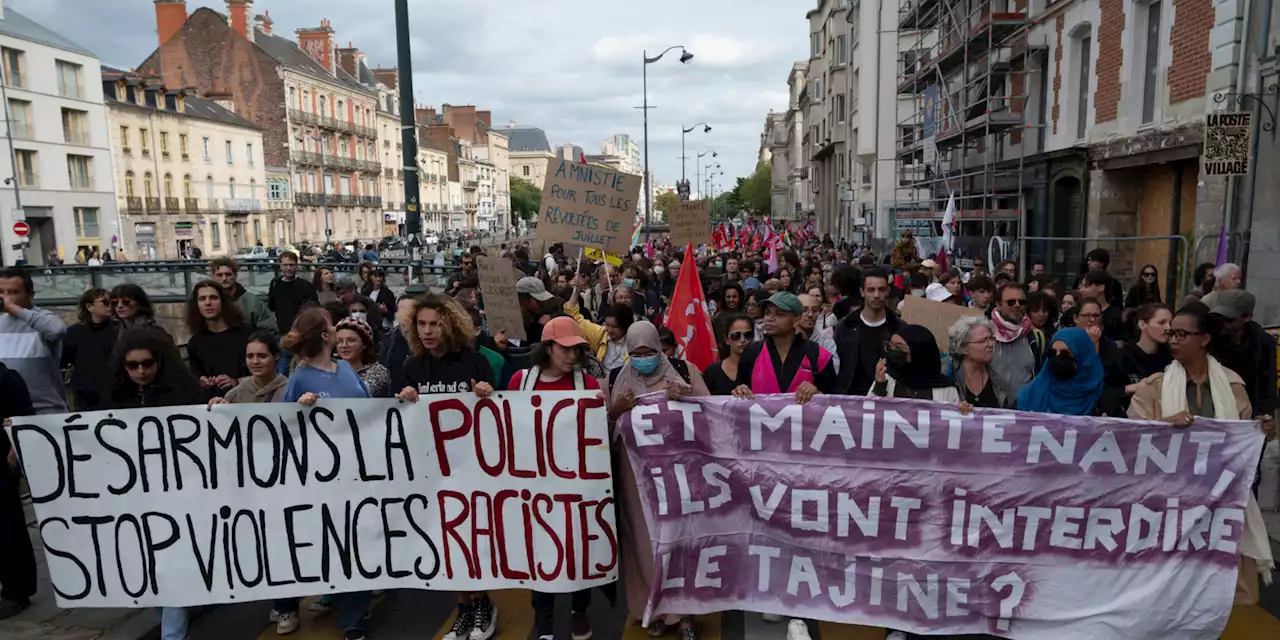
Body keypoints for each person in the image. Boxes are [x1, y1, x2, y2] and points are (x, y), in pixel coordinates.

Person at [1128, 304, 1275, 604]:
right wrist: (1163, 426)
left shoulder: (1232, 387)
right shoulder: (1155, 388)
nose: (1173, 340)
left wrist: (1261, 430)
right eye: (1171, 334)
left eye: (1182, 334)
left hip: (1217, 506)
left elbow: (1242, 444)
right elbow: (1131, 440)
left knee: (1212, 593)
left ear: (1204, 339)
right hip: (1167, 504)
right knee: (1166, 591)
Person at [391, 294, 496, 640]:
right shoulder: (411, 368)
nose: (427, 330)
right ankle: (464, 608)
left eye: (434, 323)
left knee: (472, 539)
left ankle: (483, 604)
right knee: (448, 542)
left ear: (449, 324)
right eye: (421, 324)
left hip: (472, 469)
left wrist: (486, 393)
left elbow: (497, 415)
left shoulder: (474, 362)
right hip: (433, 472)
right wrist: (403, 400)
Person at [274, 307, 374, 640]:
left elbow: (370, 408)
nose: (336, 329)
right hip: (322, 478)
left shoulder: (345, 368)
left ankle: (353, 619)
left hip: (357, 473)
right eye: (332, 326)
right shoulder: (300, 376)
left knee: (356, 541)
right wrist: (299, 408)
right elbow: (284, 427)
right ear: (324, 335)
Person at [99, 330, 205, 640]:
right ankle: (176, 613)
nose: (141, 372)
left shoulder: (187, 393)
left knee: (168, 562)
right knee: (149, 565)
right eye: (133, 366)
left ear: (161, 362)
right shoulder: (116, 396)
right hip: (134, 496)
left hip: (177, 494)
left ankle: (173, 633)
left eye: (147, 364)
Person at [609, 321, 708, 639]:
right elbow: (607, 426)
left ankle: (688, 614)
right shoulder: (619, 377)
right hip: (635, 477)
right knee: (643, 543)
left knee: (682, 540)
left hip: (678, 475)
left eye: (649, 352)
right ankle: (654, 609)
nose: (642, 358)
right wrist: (617, 409)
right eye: (635, 353)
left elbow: (711, 414)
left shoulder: (684, 371)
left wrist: (687, 397)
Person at [506, 317, 600, 640]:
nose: (572, 356)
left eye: (577, 350)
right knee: (539, 552)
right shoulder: (521, 381)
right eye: (566, 349)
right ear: (548, 348)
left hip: (576, 487)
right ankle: (543, 618)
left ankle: (579, 610)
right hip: (534, 487)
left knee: (576, 553)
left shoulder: (587, 384)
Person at [0, 267, 69, 414]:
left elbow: (57, 330)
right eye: (1, 292)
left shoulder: (42, 319)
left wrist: (12, 308)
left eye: (13, 292)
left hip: (45, 411)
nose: (5, 298)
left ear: (30, 294)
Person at [0, 361, 34, 619]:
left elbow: (23, 418)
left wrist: (14, 453)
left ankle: (16, 591)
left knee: (7, 527)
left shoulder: (7, 378)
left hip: (2, 464)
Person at [834, 268, 899, 395]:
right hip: (851, 399)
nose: (876, 295)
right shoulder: (845, 327)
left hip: (887, 398)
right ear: (862, 292)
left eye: (881, 289)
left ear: (888, 291)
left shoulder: (898, 328)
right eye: (871, 290)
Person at [185, 280, 253, 399]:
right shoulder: (195, 343)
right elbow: (195, 378)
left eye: (213, 297)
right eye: (202, 299)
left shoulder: (248, 334)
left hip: (246, 401)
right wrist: (203, 382)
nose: (208, 303)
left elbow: (267, 374)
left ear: (223, 301)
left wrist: (237, 381)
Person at [1101, 303, 1172, 416]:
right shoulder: (1121, 357)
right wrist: (1132, 387)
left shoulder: (1171, 357)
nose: (1168, 328)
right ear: (1142, 324)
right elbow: (1105, 392)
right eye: (1161, 323)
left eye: (1170, 323)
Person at [1016, 328, 1105, 416]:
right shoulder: (1029, 396)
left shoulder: (1101, 396)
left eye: (1065, 354)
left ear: (1082, 357)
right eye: (1052, 353)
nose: (1058, 358)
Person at [869, 324, 960, 402]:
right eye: (890, 345)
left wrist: (963, 411)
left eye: (899, 348)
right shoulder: (886, 378)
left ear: (918, 353)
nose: (892, 351)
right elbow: (869, 414)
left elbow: (955, 419)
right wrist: (879, 388)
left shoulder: (946, 389)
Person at [61, 288, 115, 411]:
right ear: (90, 307)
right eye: (105, 302)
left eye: (112, 302)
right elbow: (65, 360)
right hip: (85, 394)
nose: (110, 306)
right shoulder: (74, 332)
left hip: (115, 393)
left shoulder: (119, 330)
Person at [989, 282, 1042, 400]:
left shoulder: (1035, 337)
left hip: (1024, 411)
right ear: (998, 305)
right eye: (1011, 302)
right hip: (990, 411)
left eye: (1022, 302)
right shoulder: (986, 333)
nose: (1017, 305)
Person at [949, 316, 1009, 408]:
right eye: (983, 341)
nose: (991, 344)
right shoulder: (949, 373)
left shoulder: (997, 376)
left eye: (991, 339)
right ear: (963, 348)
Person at [216, 332, 289, 405]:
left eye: (262, 356)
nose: (255, 361)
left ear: (276, 356)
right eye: (250, 356)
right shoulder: (235, 395)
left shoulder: (289, 389)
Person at [211, 256, 276, 332]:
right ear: (213, 277)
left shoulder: (252, 302)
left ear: (235, 275)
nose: (224, 278)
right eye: (219, 275)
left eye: (228, 274)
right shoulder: (207, 301)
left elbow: (270, 329)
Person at [335, 316, 391, 397]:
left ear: (364, 344)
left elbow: (359, 394)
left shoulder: (378, 371)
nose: (344, 345)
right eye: (339, 341)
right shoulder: (331, 370)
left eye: (351, 340)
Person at [268, 251, 319, 334]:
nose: (288, 268)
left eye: (291, 265)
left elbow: (313, 310)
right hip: (282, 330)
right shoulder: (275, 284)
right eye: (285, 265)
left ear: (296, 266)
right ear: (280, 266)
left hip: (301, 331)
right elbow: (272, 306)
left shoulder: (306, 286)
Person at [702, 315, 753, 395]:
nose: (743, 340)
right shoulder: (712, 371)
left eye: (748, 335)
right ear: (727, 339)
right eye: (736, 336)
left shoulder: (761, 369)